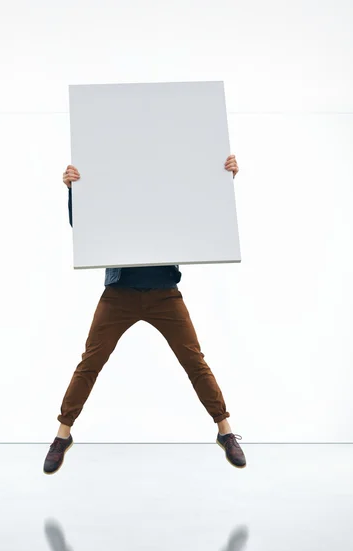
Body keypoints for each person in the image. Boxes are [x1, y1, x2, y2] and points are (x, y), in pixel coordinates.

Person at [44, 155, 246, 474]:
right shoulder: (117, 196)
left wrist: (223, 180)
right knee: (90, 362)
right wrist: (73, 189)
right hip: (119, 293)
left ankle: (225, 431)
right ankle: (62, 435)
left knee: (194, 360)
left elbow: (203, 213)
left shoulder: (166, 196)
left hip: (164, 293)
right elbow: (84, 226)